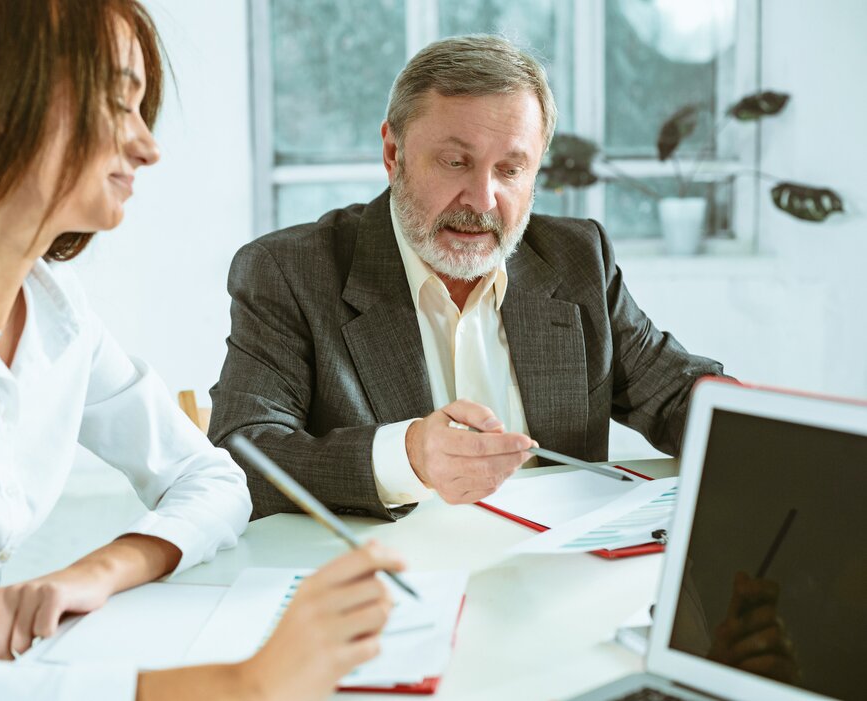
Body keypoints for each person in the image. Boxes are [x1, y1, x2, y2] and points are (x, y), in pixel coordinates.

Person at [0, 2, 402, 700]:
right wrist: (241, 685)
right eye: (117, 101)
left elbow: (214, 480)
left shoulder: (55, 315)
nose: (146, 145)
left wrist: (96, 570)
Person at [209, 34, 726, 521]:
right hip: (387, 589)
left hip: (555, 583)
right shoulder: (289, 272)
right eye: (456, 162)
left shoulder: (577, 259)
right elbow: (241, 458)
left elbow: (679, 395)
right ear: (394, 154)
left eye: (510, 170)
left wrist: (763, 429)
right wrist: (407, 456)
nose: (482, 201)